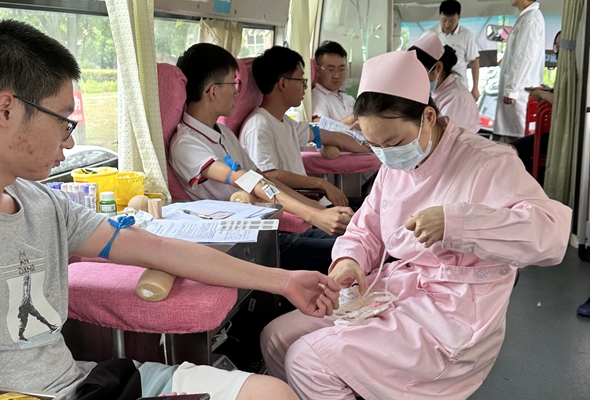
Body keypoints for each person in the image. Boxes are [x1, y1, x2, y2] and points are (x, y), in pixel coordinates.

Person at [0, 20, 341, 400]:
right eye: (63, 121)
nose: (69, 141)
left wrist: (284, 281)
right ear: (5, 109)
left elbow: (158, 249)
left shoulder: (44, 203)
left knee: (271, 393)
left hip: (87, 383)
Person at [260, 50, 572, 400]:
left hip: (454, 310)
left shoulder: (487, 162)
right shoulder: (394, 165)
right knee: (276, 338)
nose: (386, 155)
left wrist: (459, 223)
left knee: (308, 361)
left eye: (393, 143)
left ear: (428, 116)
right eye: (375, 146)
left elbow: (551, 237)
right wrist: (349, 259)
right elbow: (368, 226)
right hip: (399, 288)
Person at [169, 43, 354, 274]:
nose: (237, 92)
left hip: (266, 228)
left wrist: (318, 210)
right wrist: (314, 215)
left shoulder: (222, 133)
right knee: (352, 253)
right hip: (240, 244)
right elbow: (246, 179)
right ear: (213, 91)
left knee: (357, 242)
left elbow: (262, 179)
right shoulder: (186, 144)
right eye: (233, 84)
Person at [239, 46, 370, 209]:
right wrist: (321, 183)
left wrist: (368, 148)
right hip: (300, 208)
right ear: (283, 84)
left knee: (374, 208)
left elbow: (331, 136)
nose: (305, 87)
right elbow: (268, 175)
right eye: (301, 80)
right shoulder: (259, 126)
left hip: (315, 201)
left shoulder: (287, 123)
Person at [492, 0, 545, 142]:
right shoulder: (526, 17)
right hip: (515, 88)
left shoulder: (531, 19)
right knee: (507, 133)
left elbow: (524, 57)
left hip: (519, 90)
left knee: (515, 137)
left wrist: (511, 89)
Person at [510, 30, 561, 177]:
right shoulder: (564, 71)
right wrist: (548, 90)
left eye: (560, 46)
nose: (558, 51)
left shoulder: (574, 70)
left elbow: (563, 102)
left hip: (559, 134)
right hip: (554, 131)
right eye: (556, 47)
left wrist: (542, 94)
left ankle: (529, 182)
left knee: (514, 149)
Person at [410, 33, 481, 133]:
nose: (417, 78)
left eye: (420, 72)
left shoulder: (457, 98)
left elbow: (446, 137)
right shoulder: (436, 90)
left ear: (438, 68)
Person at [421, 0, 480, 100]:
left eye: (452, 21)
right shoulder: (429, 34)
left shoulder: (466, 35)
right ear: (439, 16)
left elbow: (474, 61)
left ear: (459, 17)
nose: (447, 25)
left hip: (459, 85)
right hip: (436, 87)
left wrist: (475, 88)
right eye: (444, 20)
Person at [312, 41, 356, 124]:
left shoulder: (348, 98)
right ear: (318, 70)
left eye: (342, 69)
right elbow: (319, 128)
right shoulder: (317, 97)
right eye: (331, 70)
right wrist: (353, 118)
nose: (337, 75)